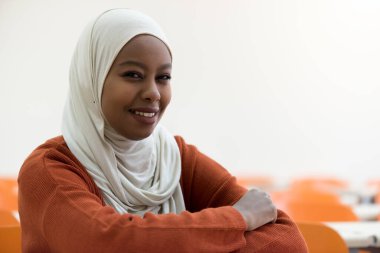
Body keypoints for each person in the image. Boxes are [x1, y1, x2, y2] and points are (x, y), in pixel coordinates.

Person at [18, 9, 308, 253]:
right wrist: (237, 219)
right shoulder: (47, 171)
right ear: (90, 80)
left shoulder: (175, 158)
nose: (153, 93)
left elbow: (285, 241)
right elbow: (104, 241)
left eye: (163, 77)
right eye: (133, 75)